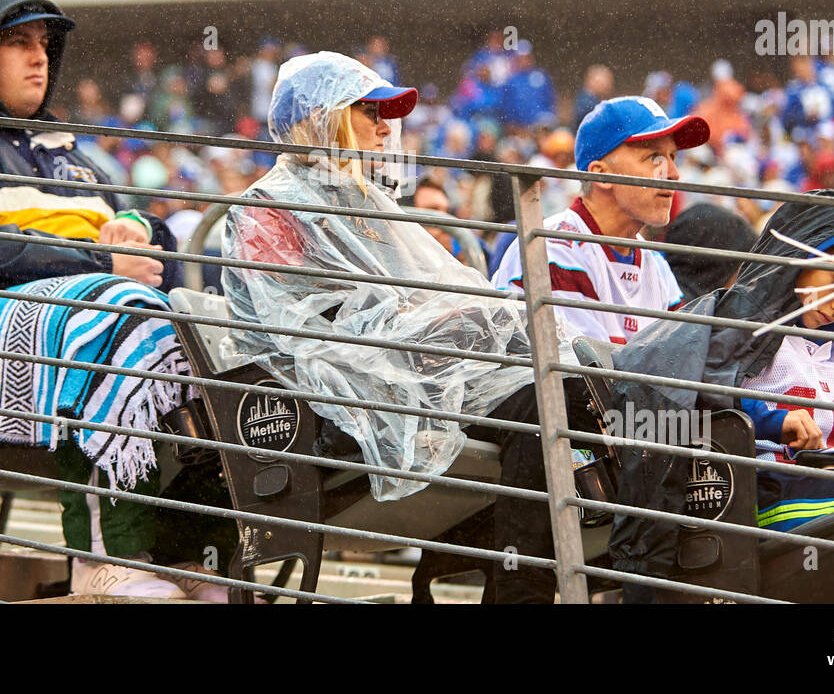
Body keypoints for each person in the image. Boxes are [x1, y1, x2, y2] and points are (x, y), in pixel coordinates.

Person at [0, 0, 231, 599]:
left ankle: (181, 552)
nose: (39, 57)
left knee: (211, 328)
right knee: (113, 315)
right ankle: (104, 559)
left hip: (68, 324)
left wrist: (137, 227)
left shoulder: (68, 155)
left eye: (45, 44)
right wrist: (99, 259)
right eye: (17, 42)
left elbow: (148, 237)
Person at [220, 52, 592, 603]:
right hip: (330, 406)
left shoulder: (366, 202)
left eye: (385, 114)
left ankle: (524, 582)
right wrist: (426, 324)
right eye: (368, 111)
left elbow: (418, 294)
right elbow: (298, 334)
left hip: (407, 379)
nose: (384, 126)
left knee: (561, 388)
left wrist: (454, 319)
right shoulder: (265, 209)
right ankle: (523, 592)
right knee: (543, 405)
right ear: (316, 120)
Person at [603, 190, 834, 603]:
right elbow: (689, 403)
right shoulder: (739, 329)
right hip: (770, 492)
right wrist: (771, 420)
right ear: (802, 253)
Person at [493, 96, 710, 344]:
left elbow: (680, 361)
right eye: (655, 158)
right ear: (601, 175)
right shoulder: (554, 249)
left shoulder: (656, 265)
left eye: (673, 156)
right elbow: (590, 380)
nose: (673, 174)